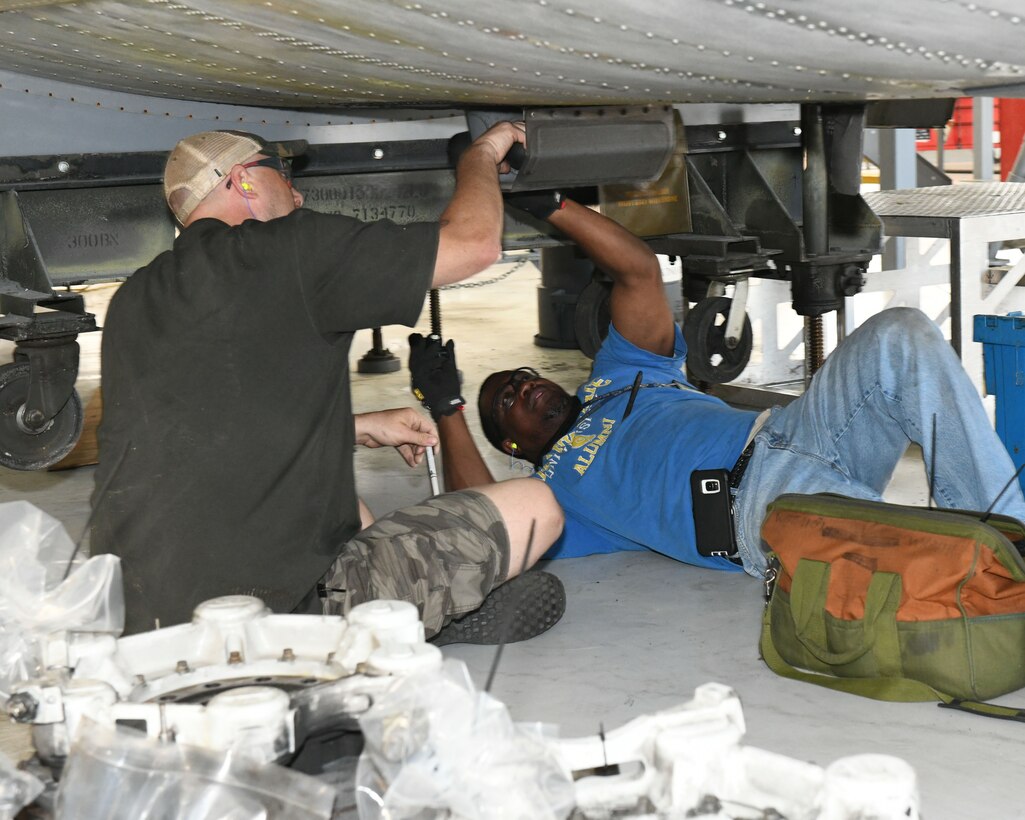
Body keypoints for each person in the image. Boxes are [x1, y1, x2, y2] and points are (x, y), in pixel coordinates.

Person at [90, 126, 566, 639]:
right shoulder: (292, 247)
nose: (297, 195)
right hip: (276, 626)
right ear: (244, 180)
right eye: (283, 175)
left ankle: (408, 609)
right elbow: (473, 245)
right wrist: (481, 154)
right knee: (536, 508)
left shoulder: (132, 298)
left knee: (343, 502)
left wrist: (357, 426)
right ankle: (397, 625)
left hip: (144, 626)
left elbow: (200, 433)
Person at [409, 194, 1025, 580]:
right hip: (759, 505)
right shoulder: (555, 490)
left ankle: (1011, 528)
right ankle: (997, 566)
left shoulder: (619, 375)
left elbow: (637, 270)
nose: (525, 388)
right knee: (940, 560)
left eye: (524, 378)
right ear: (512, 446)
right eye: (508, 402)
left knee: (901, 332)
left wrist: (548, 204)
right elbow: (479, 519)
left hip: (796, 428)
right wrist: (447, 407)